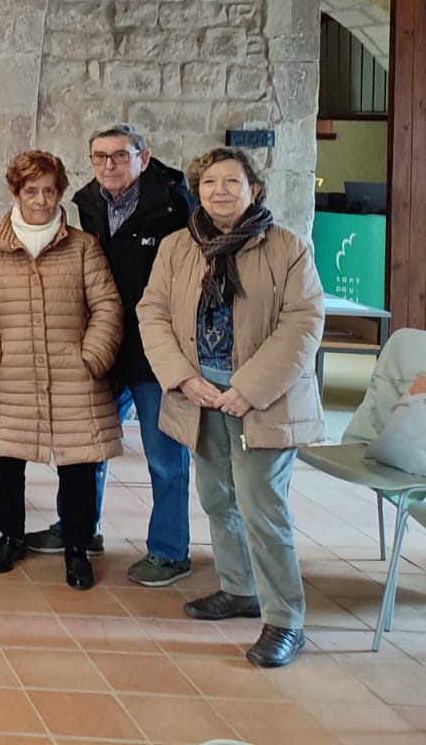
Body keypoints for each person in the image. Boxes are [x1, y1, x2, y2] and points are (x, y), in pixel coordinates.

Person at [138, 148, 324, 668]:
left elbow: (303, 323)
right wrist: (182, 377)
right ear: (197, 190)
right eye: (210, 182)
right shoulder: (178, 246)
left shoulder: (286, 247)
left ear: (254, 189)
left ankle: (285, 619)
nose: (220, 190)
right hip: (199, 394)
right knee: (217, 497)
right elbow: (151, 311)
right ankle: (239, 588)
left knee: (262, 506)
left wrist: (250, 388)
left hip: (263, 400)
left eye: (232, 182)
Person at [29, 124, 194, 585]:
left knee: (164, 455)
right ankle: (80, 528)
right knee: (85, 446)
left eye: (119, 156)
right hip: (104, 341)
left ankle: (169, 550)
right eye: (99, 156)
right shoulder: (88, 202)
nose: (108, 166)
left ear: (144, 157)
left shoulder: (175, 205)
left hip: (154, 349)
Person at [0, 150, 122, 590]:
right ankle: (10, 537)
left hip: (75, 377)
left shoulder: (83, 246)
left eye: (49, 190)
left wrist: (92, 356)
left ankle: (76, 546)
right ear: (15, 192)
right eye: (31, 190)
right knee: (8, 461)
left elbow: (107, 306)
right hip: (11, 374)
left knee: (78, 466)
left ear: (60, 192)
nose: (41, 199)